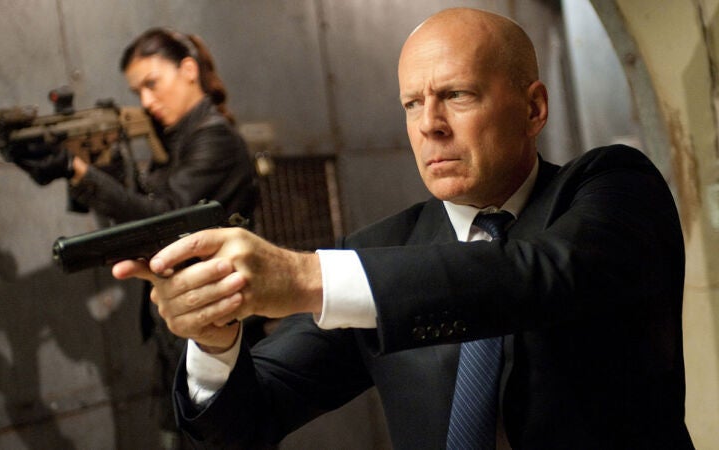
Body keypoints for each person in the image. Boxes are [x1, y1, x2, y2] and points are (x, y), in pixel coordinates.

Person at [113, 8, 694, 450]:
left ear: (534, 108)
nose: (429, 126)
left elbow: (537, 276)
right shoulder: (380, 251)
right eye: (412, 104)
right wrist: (214, 337)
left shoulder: (612, 188)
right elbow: (244, 422)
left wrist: (304, 277)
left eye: (457, 95)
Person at [12, 28, 258, 449]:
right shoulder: (175, 144)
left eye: (152, 84)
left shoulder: (215, 139)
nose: (145, 100)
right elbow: (138, 209)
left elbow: (163, 219)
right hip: (187, 332)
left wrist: (79, 171)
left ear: (188, 70)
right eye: (137, 91)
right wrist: (92, 165)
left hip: (221, 334)